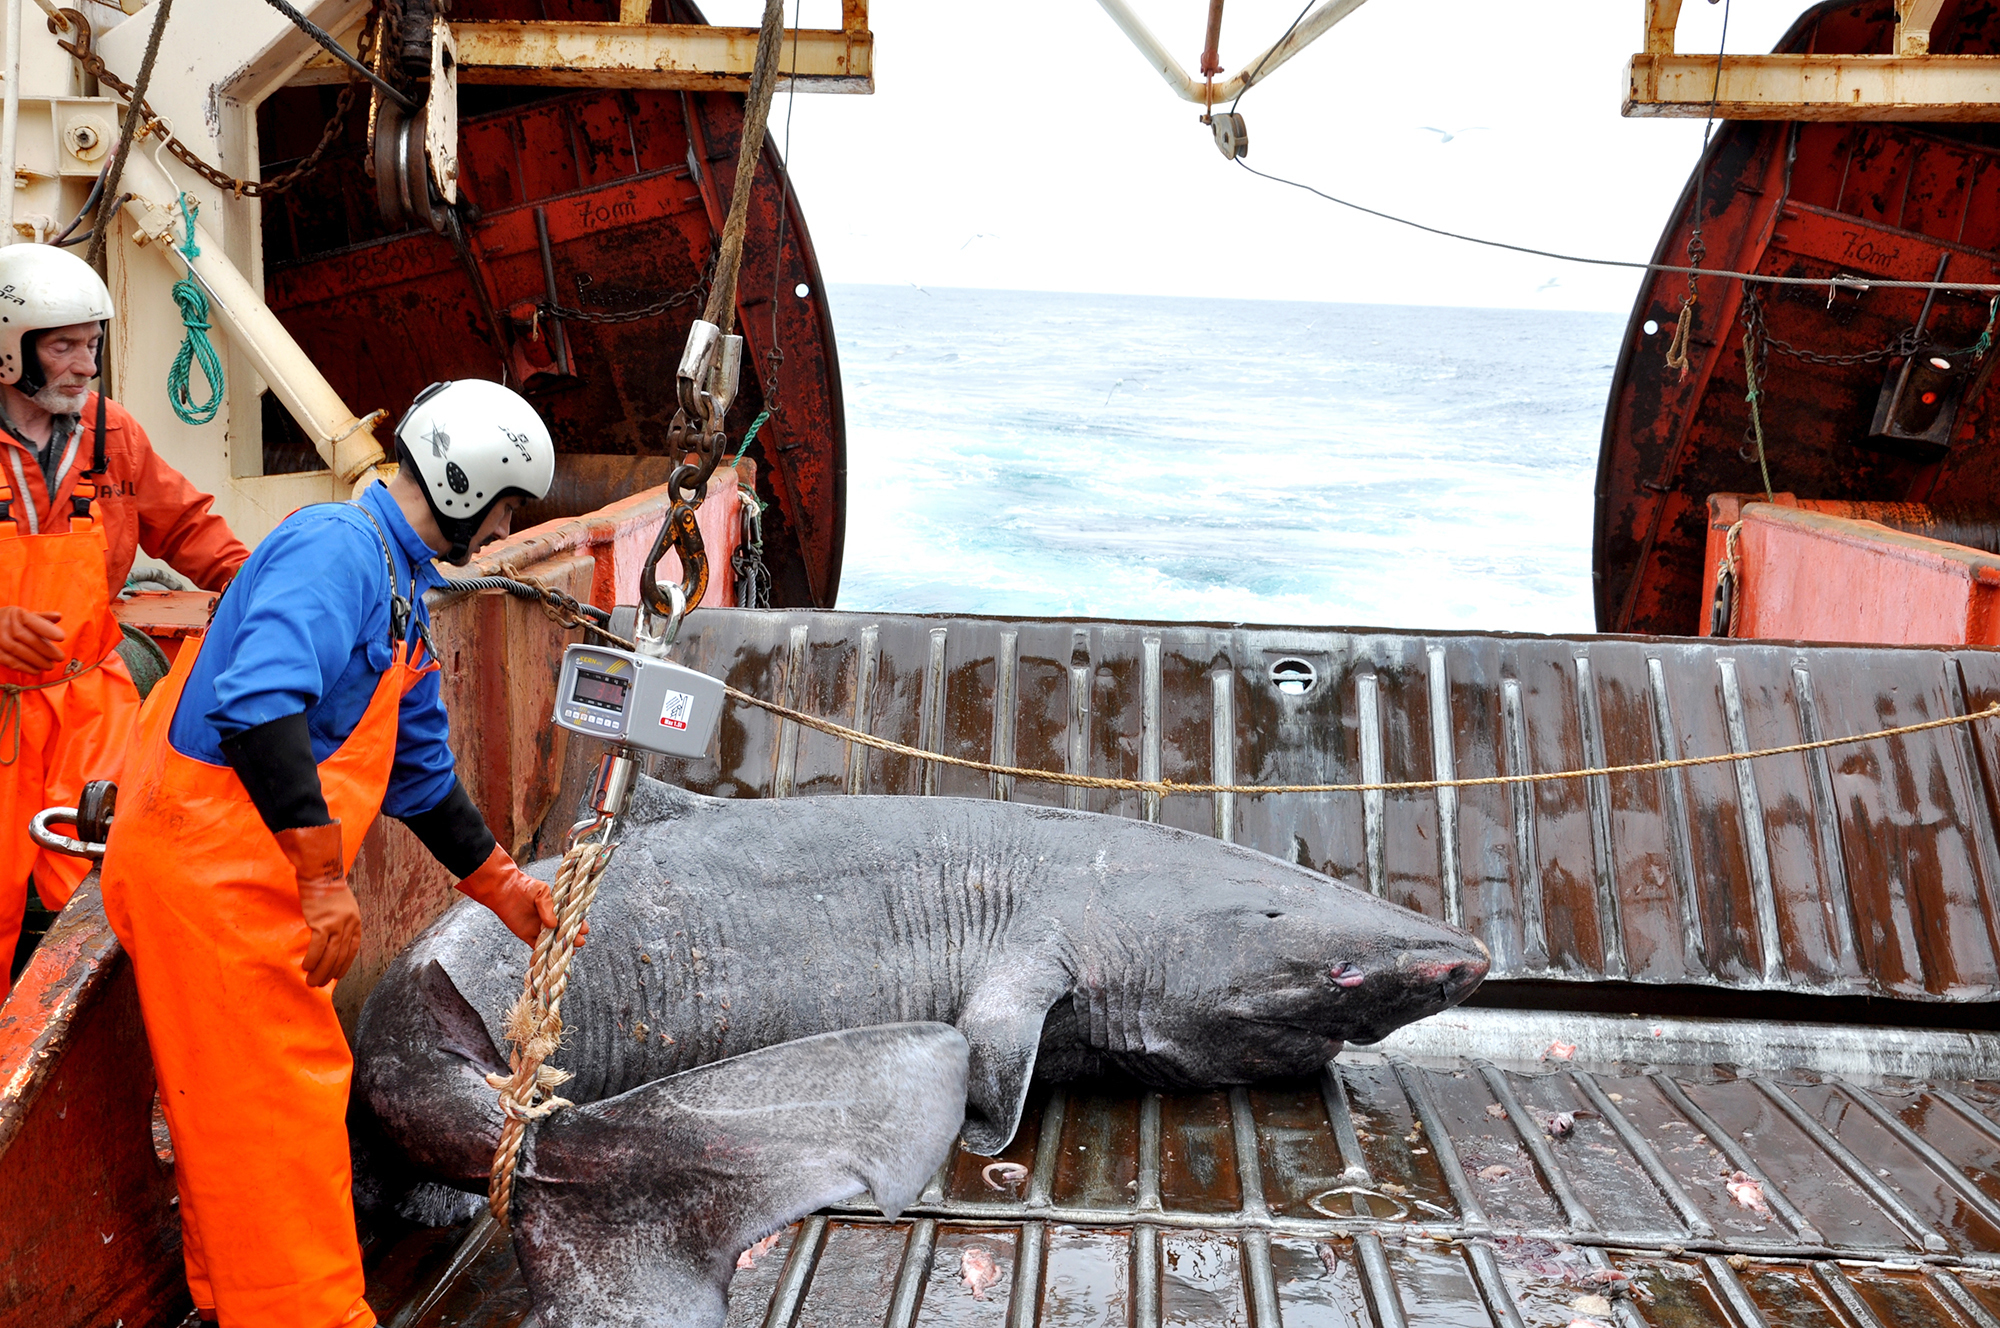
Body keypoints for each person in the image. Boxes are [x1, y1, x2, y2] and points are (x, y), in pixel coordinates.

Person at [99, 379, 576, 1327]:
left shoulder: (403, 589)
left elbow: (422, 776)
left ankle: (234, 1302)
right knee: (280, 1123)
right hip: (213, 879)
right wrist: (322, 879)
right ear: (470, 486)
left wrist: (504, 888)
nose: (502, 529)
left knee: (237, 1119)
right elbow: (257, 701)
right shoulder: (337, 551)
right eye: (508, 508)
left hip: (247, 879)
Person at [0, 243, 247, 994]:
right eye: (63, 345)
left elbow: (194, 531)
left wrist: (272, 594)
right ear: (11, 350)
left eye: (93, 344)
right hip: (6, 713)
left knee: (106, 890)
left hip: (93, 704)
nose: (84, 364)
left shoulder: (116, 436)